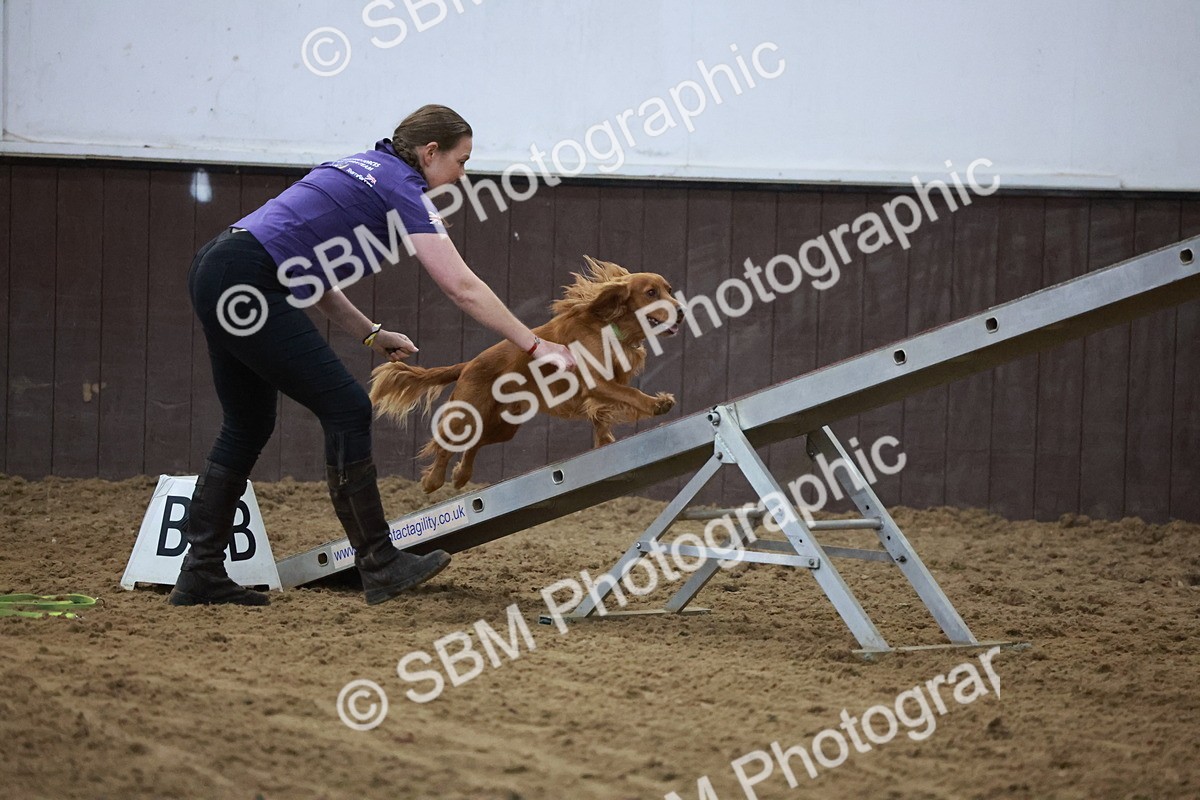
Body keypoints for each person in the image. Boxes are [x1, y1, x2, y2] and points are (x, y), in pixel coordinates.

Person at [172, 104, 577, 607]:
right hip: (246, 282)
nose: (463, 174)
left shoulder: (360, 166)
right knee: (346, 408)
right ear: (430, 153)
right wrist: (536, 344)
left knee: (247, 423)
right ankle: (380, 562)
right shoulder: (403, 187)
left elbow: (308, 270)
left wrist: (370, 332)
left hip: (218, 266)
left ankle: (200, 572)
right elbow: (461, 286)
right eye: (461, 161)